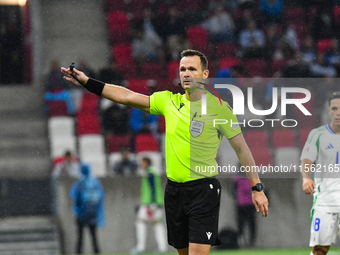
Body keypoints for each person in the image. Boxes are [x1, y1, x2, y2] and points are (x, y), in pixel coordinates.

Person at [61, 49, 268, 255]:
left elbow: (241, 149)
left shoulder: (220, 109)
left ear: (205, 74)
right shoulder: (168, 101)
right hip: (174, 192)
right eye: (182, 69)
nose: (186, 73)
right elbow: (126, 96)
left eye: (192, 69)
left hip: (203, 191)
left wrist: (256, 187)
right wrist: (88, 82)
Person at [300, 91, 340, 255]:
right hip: (325, 201)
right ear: (329, 110)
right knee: (320, 250)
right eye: (334, 108)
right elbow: (307, 160)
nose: (338, 113)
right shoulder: (318, 135)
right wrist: (306, 178)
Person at [131, 157, 167, 254]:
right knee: (157, 224)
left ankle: (140, 247)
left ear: (147, 163)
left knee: (140, 222)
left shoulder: (150, 173)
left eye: (142, 162)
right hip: (156, 203)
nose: (141, 164)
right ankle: (162, 248)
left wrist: (153, 203)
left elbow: (153, 188)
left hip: (150, 204)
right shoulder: (153, 172)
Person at [69, 163, 105, 254]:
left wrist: (77, 211)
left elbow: (75, 197)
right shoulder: (95, 182)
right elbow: (100, 197)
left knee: (80, 237)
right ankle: (96, 252)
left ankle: (79, 252)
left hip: (81, 214)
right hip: (92, 213)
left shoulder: (80, 183)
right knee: (93, 237)